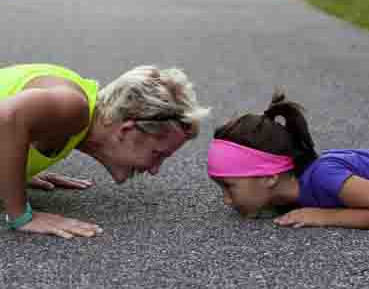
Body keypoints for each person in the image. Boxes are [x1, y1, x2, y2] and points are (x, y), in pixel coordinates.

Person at [0, 63, 209, 238]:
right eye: (158, 154)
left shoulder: (73, 113)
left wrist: (14, 172)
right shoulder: (74, 106)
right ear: (127, 130)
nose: (155, 169)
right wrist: (21, 215)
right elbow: (7, 117)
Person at [207, 90, 369, 229]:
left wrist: (325, 216)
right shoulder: (283, 199)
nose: (227, 200)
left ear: (270, 177)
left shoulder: (324, 176)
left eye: (229, 187)